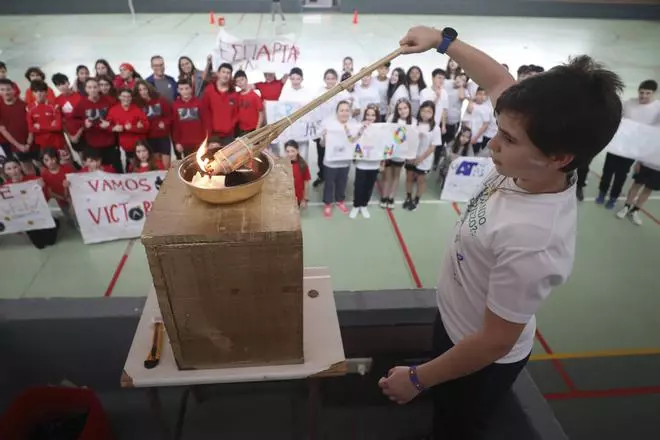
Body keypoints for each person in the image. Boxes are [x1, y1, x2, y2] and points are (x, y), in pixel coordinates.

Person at [378, 25, 623, 440]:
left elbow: (493, 341)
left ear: (558, 158)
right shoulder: (533, 150)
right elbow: (498, 81)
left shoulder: (534, 240)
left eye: (507, 139)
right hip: (455, 320)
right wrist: (442, 41)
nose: (492, 145)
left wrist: (417, 379)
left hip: (481, 360)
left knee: (455, 424)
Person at [597, 79, 660, 209]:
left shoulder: (657, 109)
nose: (643, 96)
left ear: (654, 93)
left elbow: (653, 134)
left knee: (621, 174)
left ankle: (613, 197)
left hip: (633, 150)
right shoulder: (629, 103)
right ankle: (602, 193)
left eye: (648, 93)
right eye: (641, 92)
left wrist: (642, 157)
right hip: (618, 146)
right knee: (608, 171)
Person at [2, 157, 59, 249]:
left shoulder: (33, 179)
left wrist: (42, 187)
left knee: (51, 241)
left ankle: (55, 221)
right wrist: (13, 225)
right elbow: (6, 208)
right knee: (39, 245)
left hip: (39, 213)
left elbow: (45, 199)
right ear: (5, 172)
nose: (13, 171)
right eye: (9, 169)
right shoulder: (5, 188)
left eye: (15, 167)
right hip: (26, 218)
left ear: (20, 167)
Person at [72, 78, 121, 172]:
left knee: (114, 170)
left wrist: (110, 124)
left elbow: (118, 115)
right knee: (98, 170)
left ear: (99, 88)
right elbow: (74, 120)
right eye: (89, 87)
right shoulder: (81, 103)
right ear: (86, 89)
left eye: (95, 87)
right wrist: (84, 124)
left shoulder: (109, 100)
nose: (93, 90)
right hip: (93, 144)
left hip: (109, 142)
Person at [312, 68, 349, 188]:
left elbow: (349, 107)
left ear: (336, 79)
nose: (330, 81)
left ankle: (335, 177)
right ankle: (322, 175)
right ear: (324, 79)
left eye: (333, 78)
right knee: (321, 155)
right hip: (322, 130)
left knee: (336, 154)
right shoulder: (318, 92)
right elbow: (313, 111)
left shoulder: (342, 92)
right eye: (328, 78)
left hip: (337, 131)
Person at [404, 100, 441, 211]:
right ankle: (409, 197)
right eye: (423, 110)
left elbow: (432, 147)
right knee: (409, 178)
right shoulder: (414, 124)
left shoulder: (435, 128)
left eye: (429, 111)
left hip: (424, 160)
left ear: (433, 113)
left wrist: (420, 158)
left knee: (421, 180)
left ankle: (417, 199)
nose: (425, 113)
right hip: (411, 157)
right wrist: (410, 156)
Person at [320, 101, 355, 218]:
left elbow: (356, 140)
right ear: (337, 112)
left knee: (342, 181)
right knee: (329, 183)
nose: (344, 113)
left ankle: (340, 200)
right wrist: (324, 137)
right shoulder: (330, 125)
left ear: (350, 112)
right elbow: (322, 145)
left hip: (345, 161)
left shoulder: (354, 124)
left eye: (347, 110)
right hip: (331, 161)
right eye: (341, 110)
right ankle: (328, 203)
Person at [380, 98, 415, 209]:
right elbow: (386, 134)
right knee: (387, 176)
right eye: (399, 109)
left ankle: (391, 197)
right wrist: (384, 154)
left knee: (396, 176)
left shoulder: (413, 122)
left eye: (405, 108)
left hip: (401, 155)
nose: (403, 111)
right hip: (390, 152)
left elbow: (413, 139)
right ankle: (384, 196)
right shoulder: (392, 118)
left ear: (409, 108)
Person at [350, 104, 382, 219]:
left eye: (373, 115)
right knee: (359, 185)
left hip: (374, 163)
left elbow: (385, 145)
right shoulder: (360, 126)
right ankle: (356, 205)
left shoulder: (382, 128)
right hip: (362, 162)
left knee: (369, 185)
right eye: (368, 115)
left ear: (377, 116)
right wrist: (361, 129)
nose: (370, 117)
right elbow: (353, 140)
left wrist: (382, 162)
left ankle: (364, 205)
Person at [108, 88, 150, 171]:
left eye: (128, 97)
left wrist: (133, 128)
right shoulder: (113, 110)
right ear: (119, 97)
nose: (126, 99)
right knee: (129, 169)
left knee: (140, 168)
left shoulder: (137, 109)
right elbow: (107, 125)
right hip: (124, 147)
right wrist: (113, 128)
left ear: (131, 98)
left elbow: (146, 127)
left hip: (139, 146)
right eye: (123, 96)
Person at [135, 79, 173, 168]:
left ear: (148, 88)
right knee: (156, 165)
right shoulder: (138, 104)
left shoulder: (160, 99)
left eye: (144, 89)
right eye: (140, 90)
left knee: (166, 166)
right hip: (149, 138)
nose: (143, 92)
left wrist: (165, 123)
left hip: (162, 136)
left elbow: (170, 115)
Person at [0, 78, 33, 175]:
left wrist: (28, 143)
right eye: (2, 89)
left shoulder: (24, 104)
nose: (6, 92)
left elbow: (31, 124)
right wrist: (18, 145)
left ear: (13, 89)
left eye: (8, 89)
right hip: (17, 145)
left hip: (32, 142)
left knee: (40, 165)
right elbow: (2, 129)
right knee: (26, 168)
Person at [201, 63, 239, 145]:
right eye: (223, 72)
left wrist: (230, 127)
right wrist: (210, 136)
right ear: (218, 73)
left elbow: (236, 114)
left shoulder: (233, 93)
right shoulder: (209, 90)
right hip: (213, 136)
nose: (225, 75)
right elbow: (205, 113)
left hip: (229, 136)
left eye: (228, 73)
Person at [420, 68, 449, 168]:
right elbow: (426, 109)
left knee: (433, 147)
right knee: (422, 146)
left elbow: (444, 110)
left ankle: (429, 167)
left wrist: (444, 125)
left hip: (436, 125)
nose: (441, 80)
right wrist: (436, 97)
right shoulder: (424, 92)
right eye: (439, 77)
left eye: (443, 79)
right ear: (433, 78)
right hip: (424, 124)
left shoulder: (444, 93)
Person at [26, 80, 66, 153]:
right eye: (36, 91)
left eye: (41, 91)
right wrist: (50, 126)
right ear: (32, 93)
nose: (39, 94)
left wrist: (39, 127)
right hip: (42, 145)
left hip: (57, 143)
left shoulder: (55, 106)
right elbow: (31, 129)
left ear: (46, 92)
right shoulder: (29, 108)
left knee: (65, 163)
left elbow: (58, 127)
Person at [172, 79, 206, 159]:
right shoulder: (175, 105)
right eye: (181, 89)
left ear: (191, 89)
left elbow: (205, 123)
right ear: (178, 90)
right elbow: (174, 126)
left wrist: (205, 141)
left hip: (199, 143)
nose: (184, 91)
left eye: (187, 88)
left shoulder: (199, 103)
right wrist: (177, 142)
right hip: (184, 144)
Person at [52, 73, 84, 152]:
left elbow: (86, 117)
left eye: (63, 83)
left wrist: (78, 134)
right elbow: (61, 121)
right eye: (58, 85)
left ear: (68, 83)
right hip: (71, 135)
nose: (62, 87)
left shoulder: (80, 97)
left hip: (85, 132)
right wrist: (70, 136)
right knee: (81, 157)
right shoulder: (57, 101)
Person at [233, 70, 264, 137]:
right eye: (237, 81)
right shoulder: (236, 95)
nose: (240, 83)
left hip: (252, 130)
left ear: (246, 79)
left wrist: (256, 131)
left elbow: (261, 115)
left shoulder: (255, 96)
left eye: (242, 80)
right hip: (240, 130)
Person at [465, 87, 495, 154]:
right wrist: (471, 100)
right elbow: (469, 110)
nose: (482, 96)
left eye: (484, 95)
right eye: (480, 94)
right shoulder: (472, 104)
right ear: (476, 94)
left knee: (474, 155)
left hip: (477, 138)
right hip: (466, 136)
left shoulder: (486, 109)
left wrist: (475, 137)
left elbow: (485, 125)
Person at [285, 139, 310, 208]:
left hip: (298, 197)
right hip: (287, 197)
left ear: (297, 151)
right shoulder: (283, 165)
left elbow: (306, 183)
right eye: (287, 151)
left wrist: (305, 199)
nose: (290, 154)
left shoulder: (303, 165)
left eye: (293, 151)